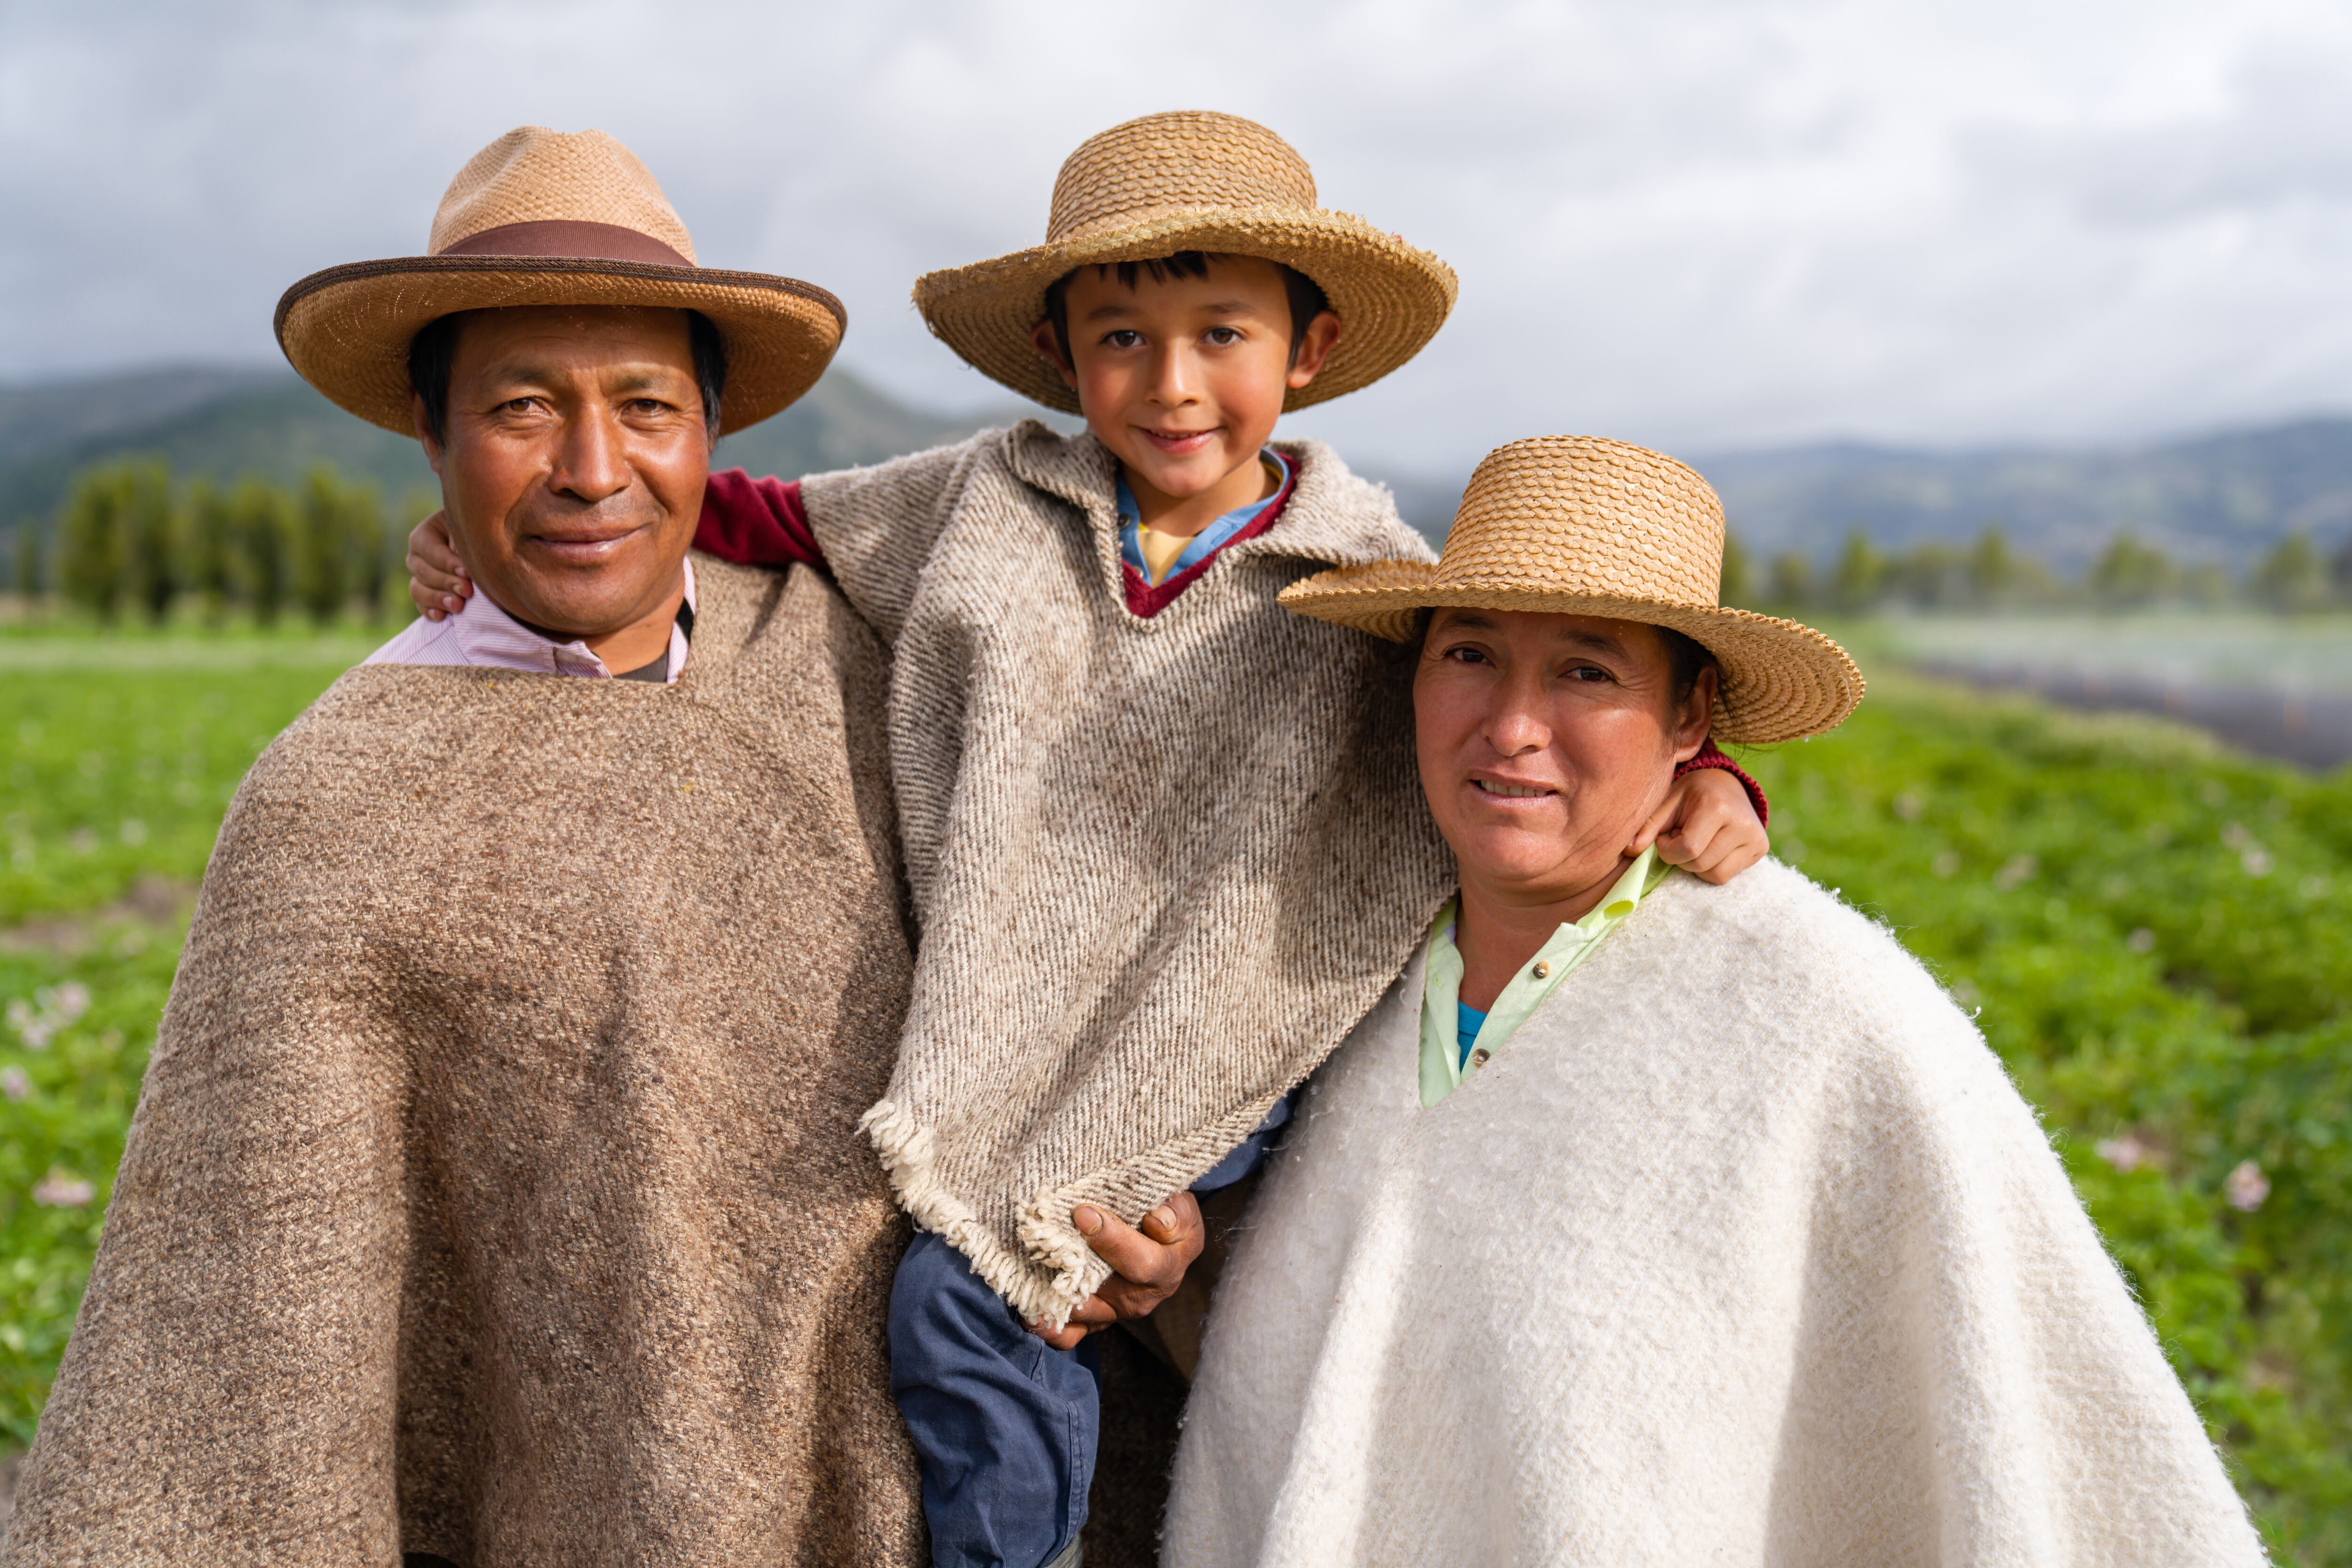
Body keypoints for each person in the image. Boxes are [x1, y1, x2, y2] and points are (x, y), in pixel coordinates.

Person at [402, 111, 1781, 1568]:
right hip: (1016, 1004)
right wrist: (473, 537)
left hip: (1221, 1017)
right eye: (1122, 338)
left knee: (967, 1293)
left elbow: (1517, 721)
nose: (1172, 385)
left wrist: (1718, 786)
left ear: (1306, 351)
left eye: (1222, 336)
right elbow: (756, 516)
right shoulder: (984, 501)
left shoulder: (1359, 577)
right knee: (930, 1271)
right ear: (1061, 354)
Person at [4, 127, 933, 1566]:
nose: (592, 466)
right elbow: (253, 1333)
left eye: (647, 404)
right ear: (430, 441)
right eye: (519, 409)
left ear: (712, 432)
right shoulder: (337, 800)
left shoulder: (852, 673)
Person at [1161, 435, 2268, 1567]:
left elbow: (2032, 1427)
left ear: (1691, 722)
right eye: (1471, 654)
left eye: (1587, 671)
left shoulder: (1828, 1017)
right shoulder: (1327, 962)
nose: (1510, 724)